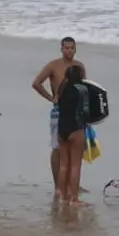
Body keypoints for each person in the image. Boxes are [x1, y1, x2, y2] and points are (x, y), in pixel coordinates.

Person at [31, 37, 85, 199]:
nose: (69, 51)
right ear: (61, 49)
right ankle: (58, 186)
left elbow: (84, 88)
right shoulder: (54, 65)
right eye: (66, 48)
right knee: (57, 148)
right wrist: (50, 97)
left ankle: (72, 184)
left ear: (75, 50)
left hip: (76, 111)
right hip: (58, 110)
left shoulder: (79, 66)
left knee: (73, 152)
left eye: (72, 48)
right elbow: (36, 83)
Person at [53, 64, 89, 205]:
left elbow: (57, 104)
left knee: (64, 165)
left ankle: (62, 196)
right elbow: (86, 111)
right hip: (76, 129)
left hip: (61, 130)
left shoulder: (62, 90)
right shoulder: (82, 90)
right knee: (75, 166)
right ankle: (73, 198)